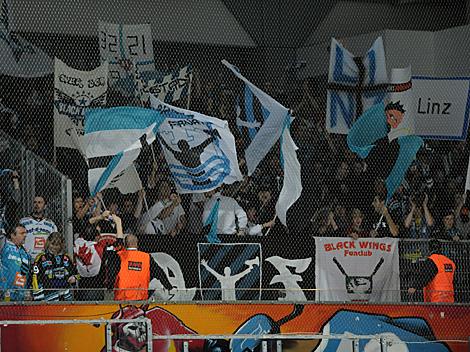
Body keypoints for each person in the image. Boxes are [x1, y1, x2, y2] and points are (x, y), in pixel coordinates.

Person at [111, 234, 173, 301]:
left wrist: (109, 286)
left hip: (122, 298)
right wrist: (168, 286)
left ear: (125, 245)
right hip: (140, 298)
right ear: (137, 244)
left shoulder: (119, 256)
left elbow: (111, 273)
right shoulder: (147, 257)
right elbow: (160, 273)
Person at [31, 232, 78, 301]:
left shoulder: (66, 258)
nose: (55, 247)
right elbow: (35, 276)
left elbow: (76, 274)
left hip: (66, 296)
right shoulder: (41, 258)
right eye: (53, 244)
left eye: (57, 245)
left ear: (61, 245)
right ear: (48, 243)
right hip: (47, 295)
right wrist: (38, 297)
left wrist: (74, 278)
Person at [407, 239, 455, 303]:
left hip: (437, 295)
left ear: (429, 249)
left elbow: (425, 275)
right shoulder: (450, 262)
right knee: (447, 312)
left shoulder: (432, 260)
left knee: (436, 312)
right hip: (449, 294)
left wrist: (414, 286)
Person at [0, 224, 31, 301]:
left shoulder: (25, 252)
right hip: (5, 291)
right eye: (22, 233)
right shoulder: (4, 245)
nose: (25, 235)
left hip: (20, 293)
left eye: (25, 233)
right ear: (12, 235)